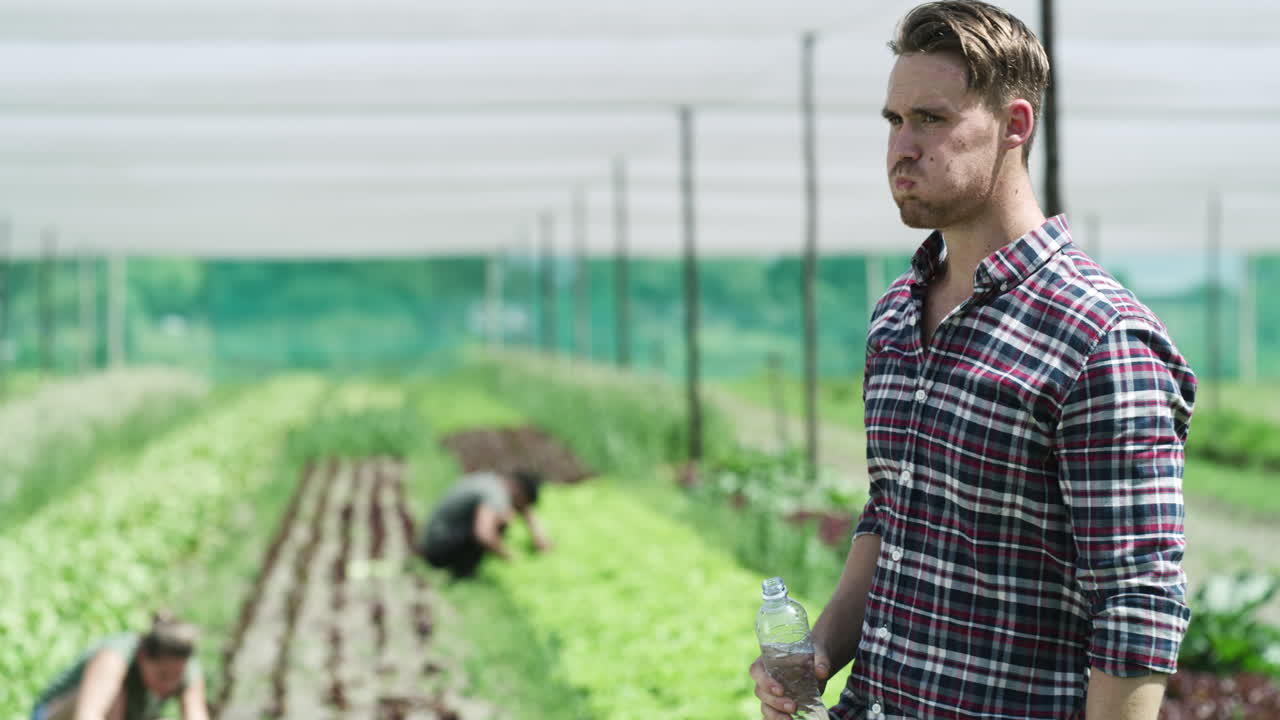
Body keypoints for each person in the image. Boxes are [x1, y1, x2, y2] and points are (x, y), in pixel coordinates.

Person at [750, 3, 1195, 719]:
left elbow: (1136, 605)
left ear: (1015, 125)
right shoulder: (897, 314)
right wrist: (823, 649)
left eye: (931, 119)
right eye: (894, 120)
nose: (902, 147)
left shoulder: (1100, 338)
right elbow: (891, 511)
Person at [31, 612, 209, 720]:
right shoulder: (114, 657)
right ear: (143, 656)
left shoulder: (186, 667)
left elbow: (196, 715)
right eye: (162, 676)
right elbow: (87, 715)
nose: (170, 684)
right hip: (56, 714)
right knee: (115, 696)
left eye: (176, 676)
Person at [418, 468, 552, 578]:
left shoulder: (491, 481)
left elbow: (525, 510)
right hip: (437, 548)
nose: (518, 509)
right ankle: (460, 572)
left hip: (432, 537)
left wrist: (538, 536)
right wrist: (509, 556)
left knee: (502, 520)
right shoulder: (496, 495)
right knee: (500, 524)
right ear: (519, 492)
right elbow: (483, 534)